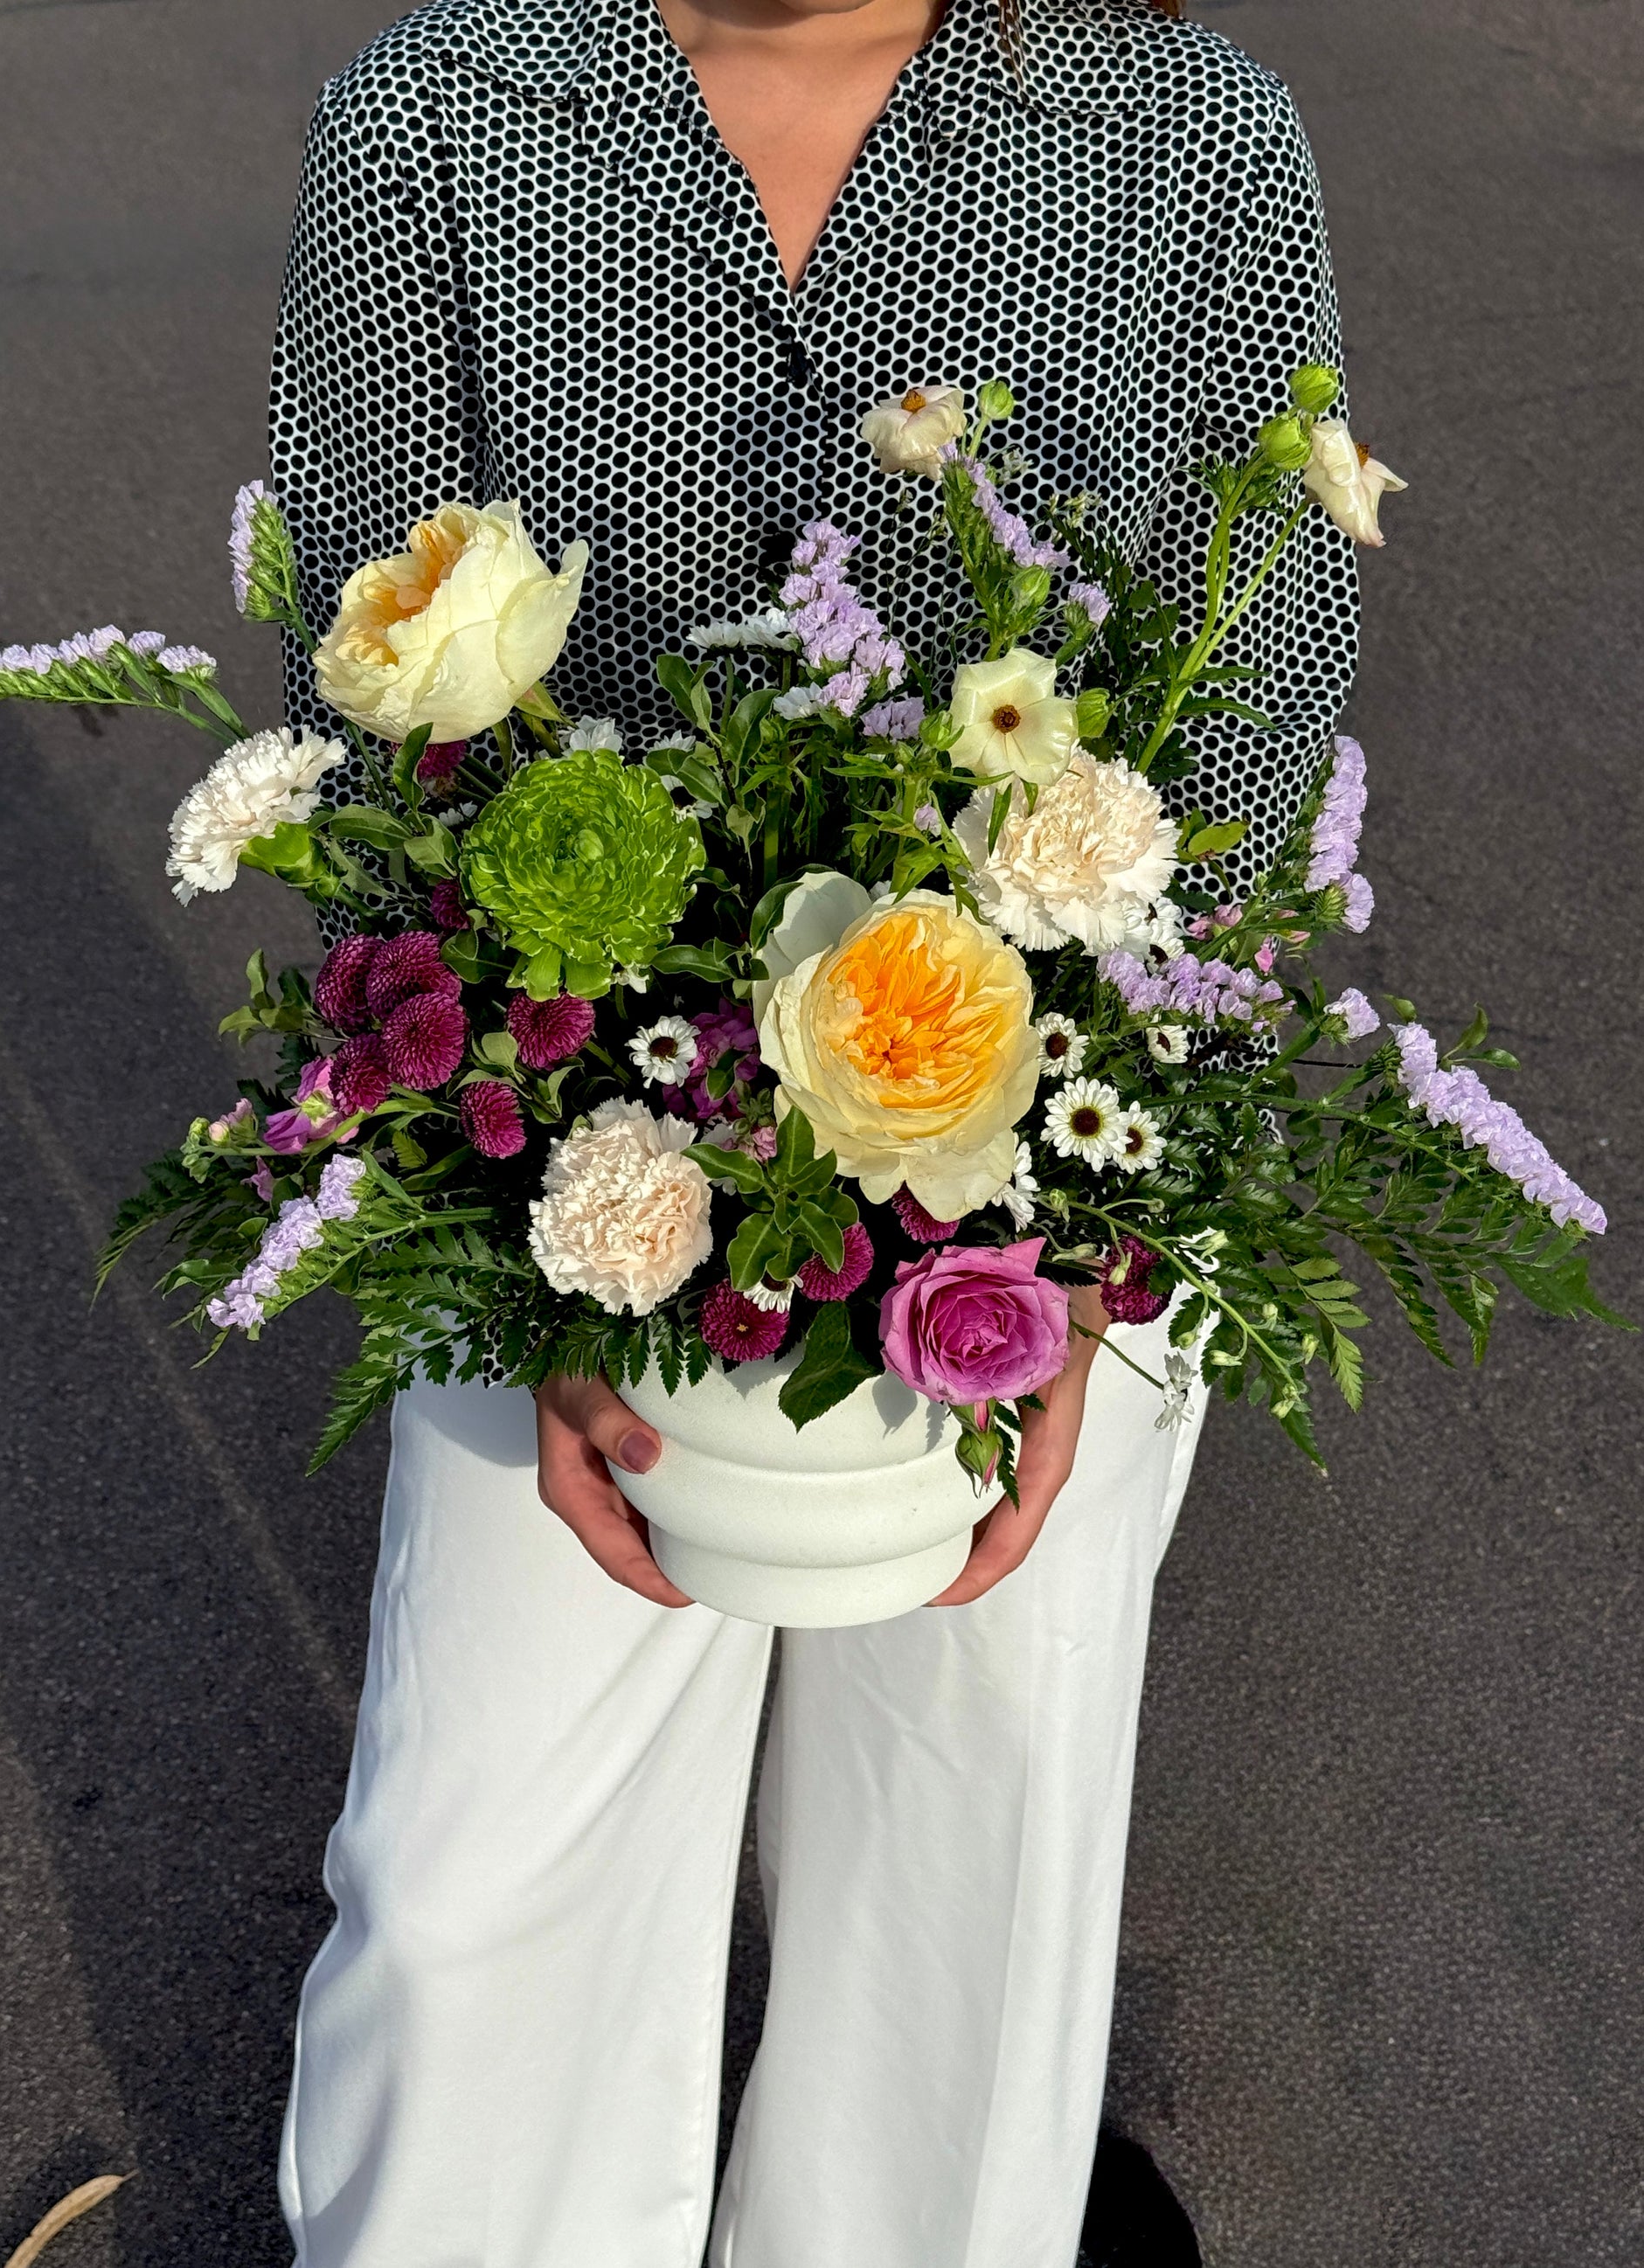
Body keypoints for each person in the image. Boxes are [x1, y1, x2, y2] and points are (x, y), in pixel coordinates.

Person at [269, 0, 1359, 2259]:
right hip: (574, 1160)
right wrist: (528, 1220)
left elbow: (1249, 731)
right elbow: (365, 731)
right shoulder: (440, 119)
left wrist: (1062, 1259)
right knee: (473, 1876)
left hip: (1053, 1178)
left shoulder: (1194, 148)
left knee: (974, 1833)